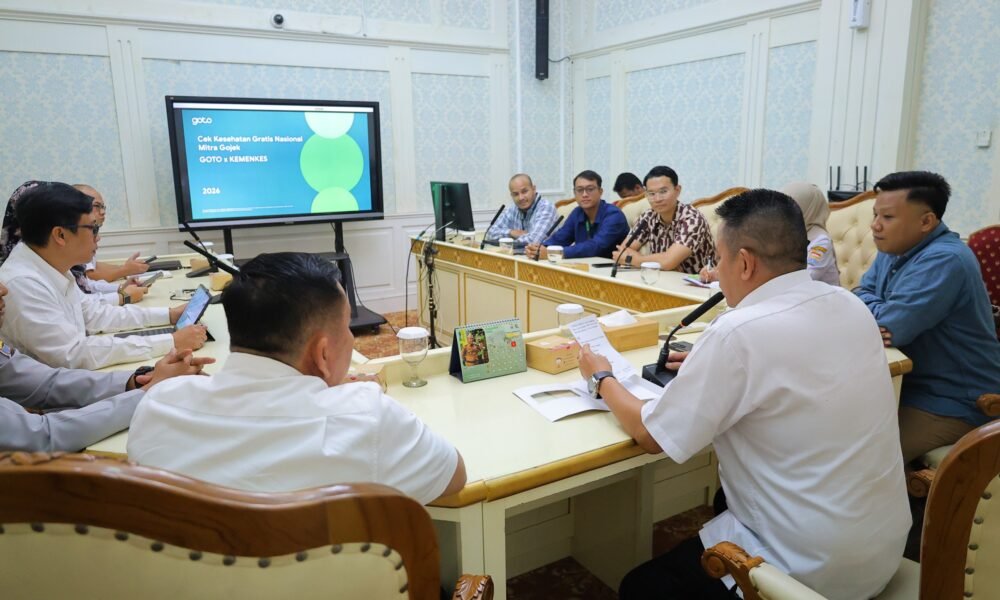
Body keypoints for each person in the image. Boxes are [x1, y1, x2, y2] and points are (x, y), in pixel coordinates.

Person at [580, 189, 909, 599]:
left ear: (746, 262)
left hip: (809, 572)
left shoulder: (738, 332)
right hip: (883, 546)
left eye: (718, 259)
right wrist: (710, 364)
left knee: (640, 586)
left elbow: (650, 435)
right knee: (722, 501)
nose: (716, 271)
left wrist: (602, 378)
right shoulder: (850, 305)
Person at [127, 252, 466, 505]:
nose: (349, 337)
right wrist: (344, 397)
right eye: (346, 327)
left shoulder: (160, 403)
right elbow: (453, 475)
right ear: (322, 354)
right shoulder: (366, 415)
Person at [854, 170, 1000, 464]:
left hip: (953, 401)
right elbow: (860, 292)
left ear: (926, 222)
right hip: (905, 386)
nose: (875, 226)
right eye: (875, 215)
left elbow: (890, 328)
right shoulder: (894, 247)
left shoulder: (946, 259)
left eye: (888, 217)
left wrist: (873, 311)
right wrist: (874, 307)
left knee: (861, 458)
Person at [0, 182, 207, 370]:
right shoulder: (22, 283)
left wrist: (169, 315)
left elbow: (96, 315)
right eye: (93, 228)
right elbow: (74, 355)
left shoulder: (52, 266)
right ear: (60, 235)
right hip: (47, 403)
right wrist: (171, 342)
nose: (98, 237)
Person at [0, 279, 213, 452]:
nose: (3, 289)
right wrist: (146, 393)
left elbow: (48, 383)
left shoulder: (59, 275)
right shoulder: (24, 281)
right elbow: (43, 436)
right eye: (92, 227)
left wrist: (139, 380)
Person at [700, 181, 842, 286]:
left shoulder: (820, 240)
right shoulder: (785, 234)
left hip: (817, 305)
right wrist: (718, 274)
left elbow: (804, 277)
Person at [613, 166, 714, 274]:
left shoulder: (692, 219)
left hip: (696, 284)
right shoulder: (648, 217)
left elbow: (668, 262)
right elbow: (622, 252)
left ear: (677, 190)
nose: (657, 199)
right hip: (660, 279)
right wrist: (662, 263)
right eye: (651, 194)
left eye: (663, 191)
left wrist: (637, 260)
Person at [526, 170, 629, 260]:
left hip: (610, 270)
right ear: (574, 193)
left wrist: (554, 253)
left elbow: (596, 247)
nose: (584, 194)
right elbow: (560, 238)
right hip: (584, 267)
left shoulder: (614, 215)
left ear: (600, 191)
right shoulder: (577, 212)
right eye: (579, 190)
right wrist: (539, 249)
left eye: (590, 189)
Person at [73, 184, 152, 285]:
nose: (102, 212)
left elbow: (94, 266)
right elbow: (89, 276)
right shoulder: (77, 236)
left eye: (103, 207)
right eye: (97, 206)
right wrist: (125, 271)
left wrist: (125, 268)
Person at [485, 174, 558, 246]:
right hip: (517, 255)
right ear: (512, 196)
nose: (521, 198)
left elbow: (534, 241)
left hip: (546, 257)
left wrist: (507, 242)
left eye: (524, 191)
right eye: (516, 194)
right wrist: (511, 232)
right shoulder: (513, 209)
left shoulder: (546, 208)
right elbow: (490, 233)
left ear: (534, 189)